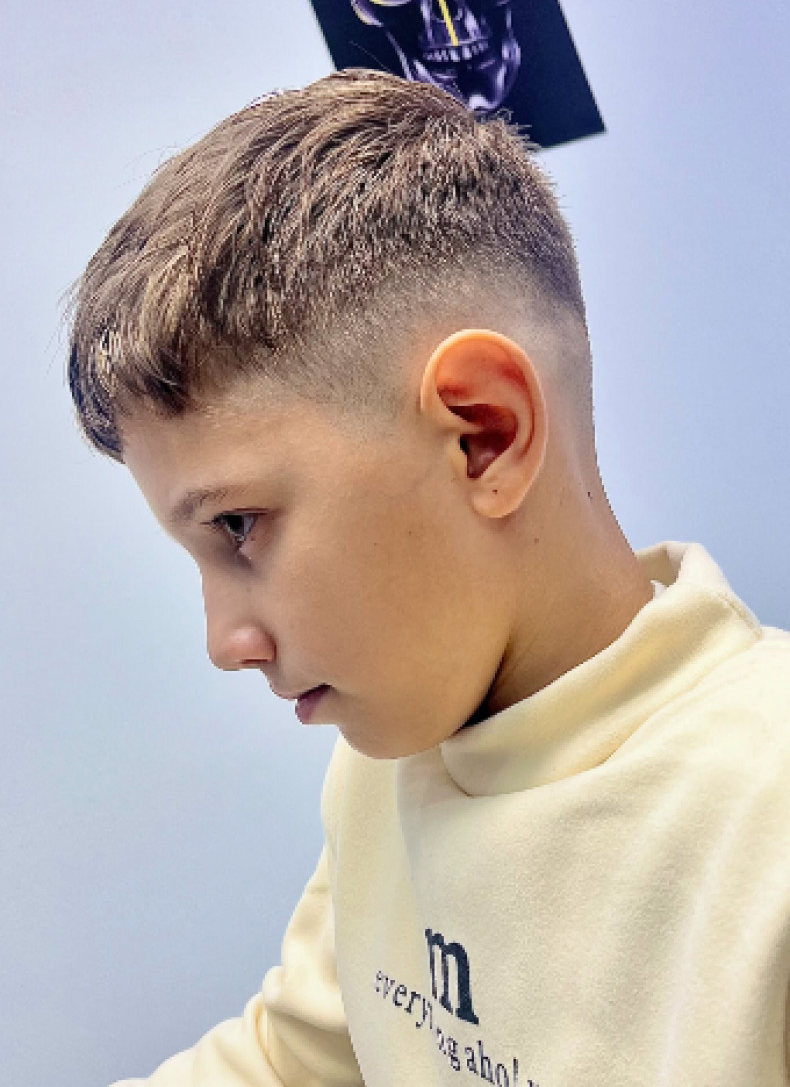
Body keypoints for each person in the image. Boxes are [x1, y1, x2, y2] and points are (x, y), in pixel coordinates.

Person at [68, 69, 790, 1087]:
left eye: (238, 526)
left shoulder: (766, 820)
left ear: (482, 436)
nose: (225, 643)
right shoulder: (391, 760)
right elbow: (292, 1061)